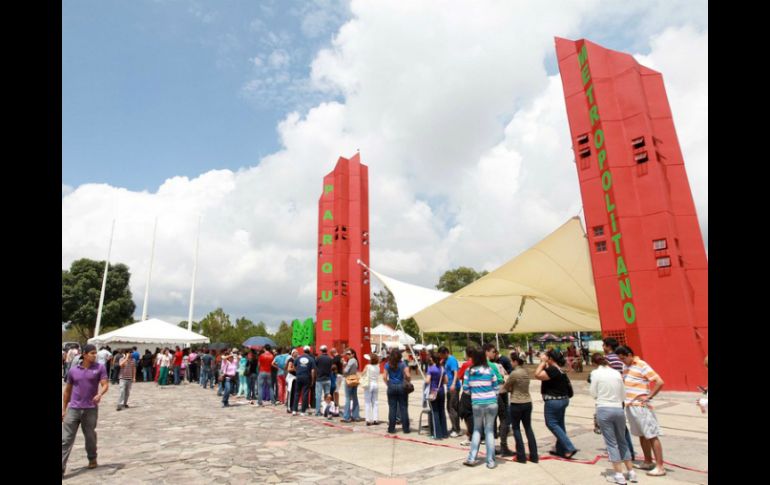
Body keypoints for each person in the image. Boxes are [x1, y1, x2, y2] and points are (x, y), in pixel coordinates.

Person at [615, 346, 667, 477]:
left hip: (641, 406)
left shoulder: (641, 364)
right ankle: (648, 461)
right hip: (630, 405)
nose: (622, 361)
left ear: (629, 355)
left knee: (651, 435)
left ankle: (660, 466)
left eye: (623, 358)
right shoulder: (626, 367)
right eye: (620, 359)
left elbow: (659, 382)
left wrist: (650, 396)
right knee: (642, 435)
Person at [62, 344, 109, 477]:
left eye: (95, 353)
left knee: (90, 437)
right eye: (92, 353)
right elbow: (67, 391)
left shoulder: (99, 368)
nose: (95, 355)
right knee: (65, 439)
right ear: (84, 354)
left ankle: (92, 457)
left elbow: (105, 384)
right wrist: (64, 409)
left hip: (90, 409)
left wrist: (100, 394)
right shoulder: (73, 371)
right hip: (73, 408)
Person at [590, 353, 637, 484]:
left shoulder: (595, 373)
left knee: (611, 443)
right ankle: (631, 472)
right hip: (618, 408)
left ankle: (619, 474)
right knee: (622, 440)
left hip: (604, 408)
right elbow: (623, 394)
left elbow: (593, 393)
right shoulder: (616, 373)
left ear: (594, 363)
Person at [534, 348, 578, 459]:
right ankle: (561, 449)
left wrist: (543, 362)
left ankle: (569, 447)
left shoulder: (553, 369)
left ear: (551, 358)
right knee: (560, 425)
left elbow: (537, 375)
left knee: (551, 423)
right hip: (563, 399)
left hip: (554, 401)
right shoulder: (558, 369)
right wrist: (544, 361)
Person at [462, 348, 499, 469]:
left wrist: (475, 393)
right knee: (489, 431)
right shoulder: (490, 370)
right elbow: (496, 388)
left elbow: (465, 389)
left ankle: (472, 458)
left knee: (477, 430)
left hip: (477, 403)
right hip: (491, 402)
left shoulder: (469, 371)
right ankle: (491, 461)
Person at [603, 338, 636, 460]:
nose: (603, 347)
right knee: (621, 424)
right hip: (621, 393)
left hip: (610, 395)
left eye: (604, 345)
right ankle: (629, 451)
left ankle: (619, 452)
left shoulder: (607, 359)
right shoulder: (620, 358)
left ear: (608, 346)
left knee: (611, 425)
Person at [503, 352, 538, 464]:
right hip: (527, 401)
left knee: (516, 429)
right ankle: (534, 455)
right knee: (528, 428)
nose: (510, 363)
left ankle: (521, 456)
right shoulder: (526, 372)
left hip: (516, 403)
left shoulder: (514, 373)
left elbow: (505, 387)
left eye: (511, 361)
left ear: (515, 361)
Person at [383, 348, 411, 434]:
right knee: (403, 407)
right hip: (401, 386)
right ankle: (406, 428)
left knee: (392, 408)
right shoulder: (403, 364)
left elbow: (384, 377)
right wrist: (407, 381)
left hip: (391, 386)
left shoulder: (388, 364)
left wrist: (388, 383)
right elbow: (408, 375)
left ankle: (391, 428)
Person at [438, 346, 461, 438]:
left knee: (452, 408)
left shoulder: (452, 360)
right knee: (449, 407)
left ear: (446, 353)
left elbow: (456, 373)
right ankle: (454, 427)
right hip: (449, 386)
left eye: (441, 355)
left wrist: (453, 384)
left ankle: (457, 429)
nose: (441, 357)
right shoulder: (446, 360)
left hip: (453, 387)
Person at [425, 352, 448, 439]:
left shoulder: (430, 369)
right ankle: (444, 432)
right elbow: (446, 381)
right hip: (441, 391)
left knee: (435, 412)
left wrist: (427, 379)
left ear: (432, 359)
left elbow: (427, 380)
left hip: (433, 392)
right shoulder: (442, 368)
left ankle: (437, 434)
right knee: (442, 411)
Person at [293, 346, 316, 415]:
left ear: (303, 350)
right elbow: (312, 371)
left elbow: (294, 366)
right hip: (307, 377)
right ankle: (303, 411)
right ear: (309, 351)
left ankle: (294, 410)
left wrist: (297, 372)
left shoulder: (298, 358)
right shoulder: (311, 359)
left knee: (297, 393)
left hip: (299, 377)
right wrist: (312, 380)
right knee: (305, 394)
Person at [341, 348, 361, 422]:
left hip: (349, 379)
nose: (347, 355)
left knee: (348, 398)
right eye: (347, 354)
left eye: (349, 354)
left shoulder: (351, 360)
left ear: (353, 354)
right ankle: (356, 416)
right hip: (354, 378)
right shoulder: (355, 361)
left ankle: (346, 416)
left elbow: (346, 371)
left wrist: (344, 368)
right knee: (355, 397)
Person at [361, 353, 381, 425]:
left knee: (368, 402)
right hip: (375, 384)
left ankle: (368, 419)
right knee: (375, 402)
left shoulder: (367, 366)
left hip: (369, 384)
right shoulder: (378, 367)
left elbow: (362, 373)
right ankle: (376, 419)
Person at [315, 345, 334, 416]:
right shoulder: (330, 359)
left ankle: (318, 412)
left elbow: (315, 367)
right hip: (327, 378)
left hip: (319, 379)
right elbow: (331, 368)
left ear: (321, 350)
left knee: (318, 396)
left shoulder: (318, 358)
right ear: (327, 350)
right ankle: (328, 411)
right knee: (327, 395)